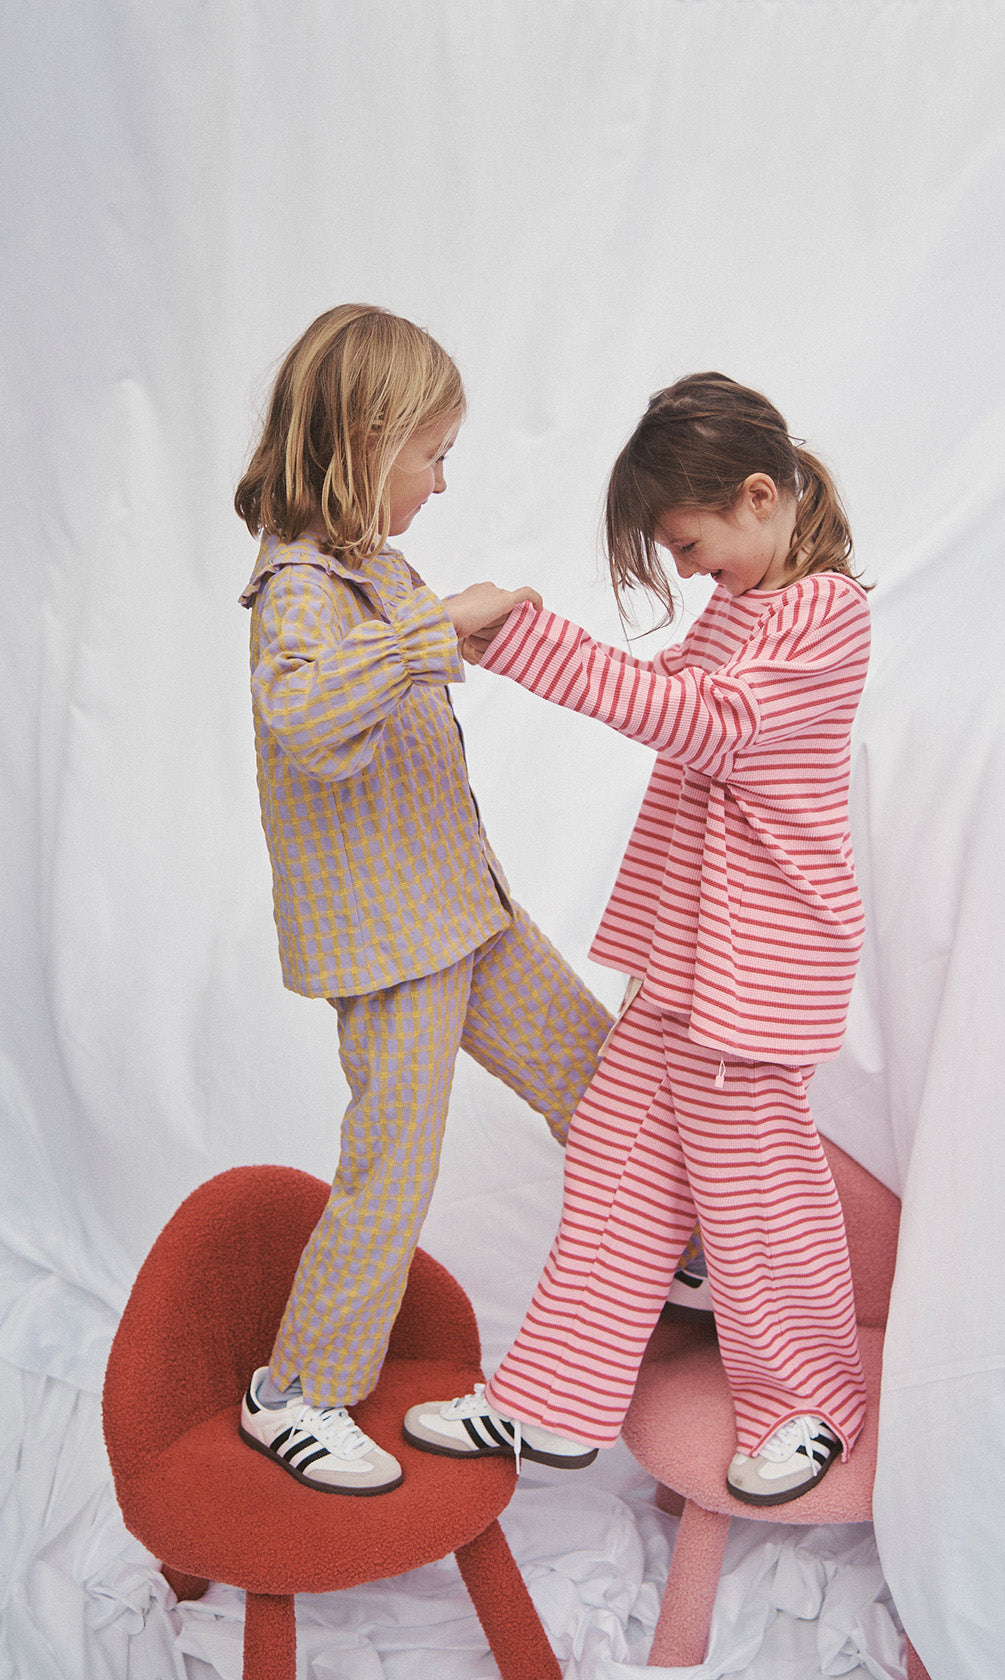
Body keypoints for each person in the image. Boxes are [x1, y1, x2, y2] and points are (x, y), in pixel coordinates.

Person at [404, 372, 870, 1506]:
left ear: (758, 497)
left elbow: (707, 725)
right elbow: (665, 684)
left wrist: (522, 634)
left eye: (690, 543)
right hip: (685, 958)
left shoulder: (825, 613)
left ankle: (807, 1405)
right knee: (615, 1161)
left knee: (755, 1194)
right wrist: (499, 636)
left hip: (758, 966)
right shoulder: (744, 607)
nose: (684, 570)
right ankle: (551, 1403)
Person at [233, 303, 613, 1495]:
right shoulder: (298, 587)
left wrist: (484, 632)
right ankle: (294, 1392)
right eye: (433, 454)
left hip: (466, 909)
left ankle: (674, 1252)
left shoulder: (376, 568)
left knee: (601, 1079)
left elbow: (413, 661)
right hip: (392, 945)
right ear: (363, 436)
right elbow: (303, 718)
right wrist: (430, 627)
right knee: (391, 1170)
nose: (444, 483)